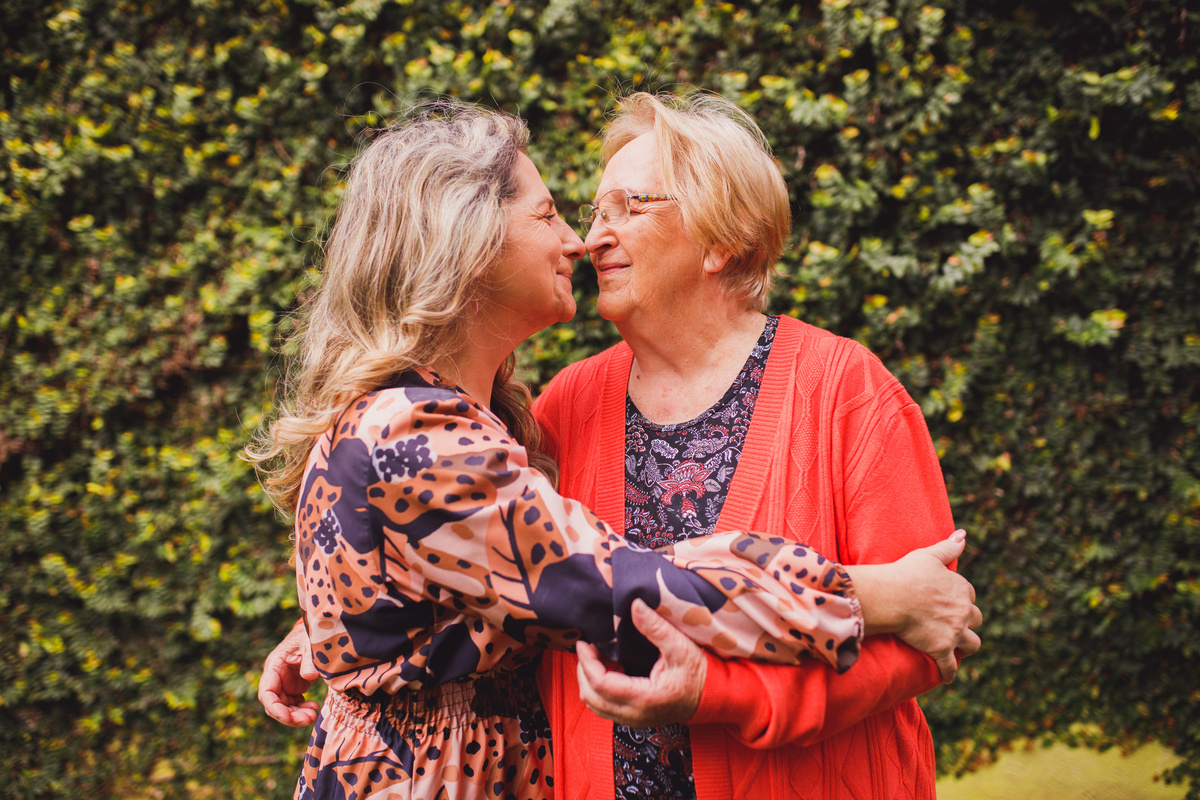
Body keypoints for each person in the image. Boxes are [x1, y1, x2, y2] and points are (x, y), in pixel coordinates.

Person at [254, 98, 983, 800]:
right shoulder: (566, 404)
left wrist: (720, 694)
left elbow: (926, 639)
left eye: (628, 208)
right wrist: (340, 629)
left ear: (723, 237)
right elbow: (550, 570)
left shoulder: (846, 390)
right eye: (583, 212)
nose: (588, 236)